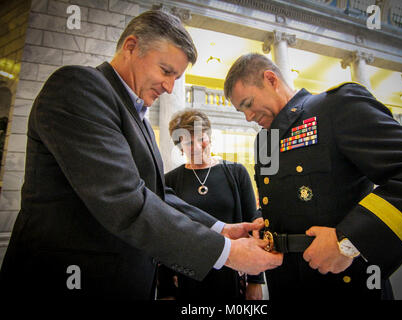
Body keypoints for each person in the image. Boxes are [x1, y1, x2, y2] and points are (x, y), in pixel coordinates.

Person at [0, 12, 282, 300]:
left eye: (177, 77)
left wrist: (220, 229)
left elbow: (155, 194)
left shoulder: (141, 119)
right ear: (131, 46)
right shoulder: (79, 87)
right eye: (166, 70)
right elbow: (124, 199)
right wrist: (226, 253)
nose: (171, 87)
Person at [224, 53, 402, 300]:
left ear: (271, 79)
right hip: (286, 282)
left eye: (247, 103)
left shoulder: (337, 106)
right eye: (240, 110)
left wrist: (350, 240)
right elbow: (276, 201)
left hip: (346, 284)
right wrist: (260, 223)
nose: (248, 117)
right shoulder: (265, 141)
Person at [157, 109, 265, 300]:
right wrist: (166, 288)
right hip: (189, 275)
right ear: (180, 146)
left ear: (210, 136)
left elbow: (253, 224)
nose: (197, 146)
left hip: (233, 270)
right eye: (189, 142)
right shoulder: (169, 181)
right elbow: (166, 234)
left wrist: (256, 280)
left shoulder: (236, 173)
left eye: (201, 138)